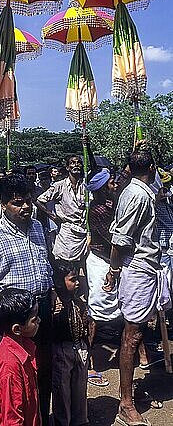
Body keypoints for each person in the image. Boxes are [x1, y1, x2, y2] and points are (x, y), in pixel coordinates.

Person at [0, 174, 53, 426]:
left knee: (41, 376)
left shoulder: (38, 227)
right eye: (18, 202)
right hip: (13, 325)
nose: (26, 207)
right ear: (4, 204)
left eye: (28, 200)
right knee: (13, 383)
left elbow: (45, 264)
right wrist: (13, 312)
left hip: (39, 316)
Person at [110, 149, 171, 426]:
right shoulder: (136, 194)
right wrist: (113, 270)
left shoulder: (140, 191)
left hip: (147, 268)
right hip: (138, 270)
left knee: (139, 332)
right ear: (153, 167)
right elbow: (120, 239)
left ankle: (131, 391)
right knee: (131, 336)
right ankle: (125, 404)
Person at [0, 288, 41, 426]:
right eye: (34, 319)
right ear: (17, 329)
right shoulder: (10, 368)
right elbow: (12, 419)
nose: (39, 320)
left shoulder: (22, 348)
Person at [85, 168, 121, 387]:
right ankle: (88, 362)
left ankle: (139, 353)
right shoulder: (97, 210)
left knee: (125, 308)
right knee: (97, 310)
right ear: (101, 189)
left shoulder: (110, 204)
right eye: (110, 184)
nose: (114, 186)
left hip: (113, 261)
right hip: (101, 262)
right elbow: (113, 239)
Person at [52, 261, 89, 426]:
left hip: (79, 347)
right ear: (60, 282)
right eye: (73, 280)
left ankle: (80, 420)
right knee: (62, 390)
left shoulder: (77, 302)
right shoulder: (55, 304)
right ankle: (63, 422)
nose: (78, 283)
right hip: (62, 350)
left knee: (80, 387)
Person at [37, 155, 87, 264]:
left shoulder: (85, 186)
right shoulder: (59, 186)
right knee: (66, 268)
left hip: (83, 232)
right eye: (73, 163)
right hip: (66, 233)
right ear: (68, 167)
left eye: (78, 163)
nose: (76, 165)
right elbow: (39, 201)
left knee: (82, 267)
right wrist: (52, 216)